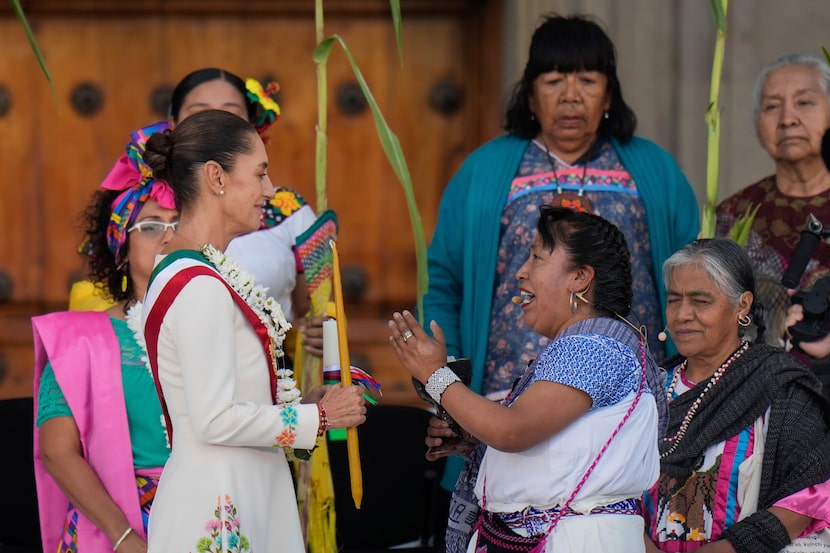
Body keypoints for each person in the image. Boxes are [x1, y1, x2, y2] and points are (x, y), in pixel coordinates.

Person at [423, 12, 699, 534]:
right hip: (500, 402)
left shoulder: (653, 170)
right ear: (530, 96)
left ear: (610, 95)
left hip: (618, 402)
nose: (571, 96)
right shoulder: (486, 170)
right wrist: (451, 393)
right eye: (553, 81)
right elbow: (445, 284)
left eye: (588, 81)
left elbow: (691, 282)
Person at [140, 109, 366, 552]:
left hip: (237, 491)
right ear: (216, 177)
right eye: (260, 174)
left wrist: (300, 406)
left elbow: (216, 405)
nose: (269, 190)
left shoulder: (195, 273)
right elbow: (214, 419)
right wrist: (319, 418)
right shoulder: (198, 285)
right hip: (220, 506)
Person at [391, 206, 667, 552]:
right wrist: (476, 440)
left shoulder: (592, 348)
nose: (521, 272)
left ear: (580, 278)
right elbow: (558, 452)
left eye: (537, 257)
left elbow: (513, 431)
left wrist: (435, 376)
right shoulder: (594, 345)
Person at [69, 68, 315, 344]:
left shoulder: (282, 207)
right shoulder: (150, 197)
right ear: (174, 123)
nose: (214, 125)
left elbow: (311, 308)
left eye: (229, 113)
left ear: (252, 126)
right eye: (200, 113)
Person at [33, 127, 178, 552]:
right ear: (122, 244)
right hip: (114, 530)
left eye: (178, 224)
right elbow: (58, 452)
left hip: (211, 520)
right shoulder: (80, 339)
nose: (168, 237)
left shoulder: (226, 327)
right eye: (151, 226)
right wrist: (126, 537)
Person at [643, 238, 830, 552]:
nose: (682, 314)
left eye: (700, 301)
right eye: (674, 299)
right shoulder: (649, 389)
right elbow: (611, 487)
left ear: (741, 305)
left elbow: (809, 490)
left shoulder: (779, 385)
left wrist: (731, 548)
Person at [716, 53, 830, 358]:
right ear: (756, 125)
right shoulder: (735, 214)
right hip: (762, 390)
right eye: (772, 106)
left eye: (804, 102)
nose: (788, 119)